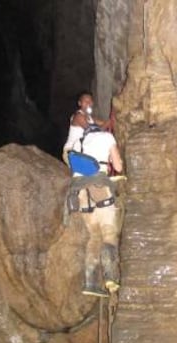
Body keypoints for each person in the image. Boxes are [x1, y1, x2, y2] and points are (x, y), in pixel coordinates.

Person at [63, 118, 124, 297]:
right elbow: (118, 166)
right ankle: (110, 277)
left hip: (80, 195)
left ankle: (90, 283)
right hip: (99, 189)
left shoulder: (77, 142)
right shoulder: (107, 137)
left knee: (94, 237)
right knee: (108, 234)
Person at [62, 91, 110, 164]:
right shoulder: (78, 116)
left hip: (82, 150)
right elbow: (93, 132)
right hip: (71, 152)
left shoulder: (90, 118)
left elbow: (104, 123)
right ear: (79, 103)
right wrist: (108, 123)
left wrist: (112, 119)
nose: (88, 103)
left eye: (90, 101)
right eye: (85, 101)